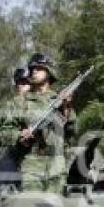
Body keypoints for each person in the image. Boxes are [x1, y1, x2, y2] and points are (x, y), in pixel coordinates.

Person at [17, 52, 77, 193]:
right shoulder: (21, 101)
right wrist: (18, 135)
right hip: (32, 164)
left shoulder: (60, 99)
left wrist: (66, 107)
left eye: (39, 68)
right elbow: (2, 131)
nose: (34, 71)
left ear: (49, 72)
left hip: (56, 164)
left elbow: (71, 131)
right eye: (32, 69)